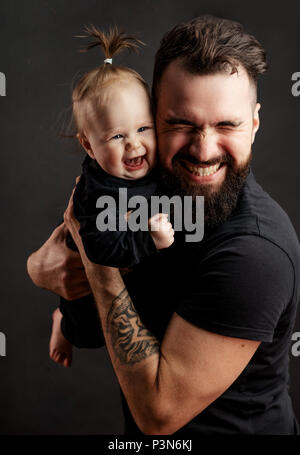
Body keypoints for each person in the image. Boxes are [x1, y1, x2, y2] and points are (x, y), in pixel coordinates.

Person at [27, 15, 300, 435]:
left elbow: (159, 414)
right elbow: (66, 243)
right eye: (182, 124)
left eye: (227, 124)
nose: (204, 150)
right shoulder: (154, 182)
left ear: (255, 124)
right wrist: (40, 268)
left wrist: (94, 261)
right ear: (153, 117)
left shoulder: (256, 253)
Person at [50, 25, 174, 368]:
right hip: (89, 285)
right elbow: (101, 248)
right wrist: (148, 238)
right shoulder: (97, 192)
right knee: (89, 333)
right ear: (89, 145)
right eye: (117, 135)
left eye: (143, 129)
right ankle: (62, 320)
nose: (134, 144)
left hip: (138, 276)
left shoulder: (156, 165)